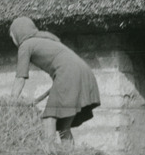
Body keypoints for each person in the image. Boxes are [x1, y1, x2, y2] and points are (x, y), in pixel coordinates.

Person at [10, 16, 101, 144]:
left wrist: (11, 102)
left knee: (49, 118)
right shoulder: (45, 40)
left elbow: (20, 77)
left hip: (68, 73)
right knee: (64, 126)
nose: (13, 40)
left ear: (18, 33)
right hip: (83, 72)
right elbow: (65, 67)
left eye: (12, 36)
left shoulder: (26, 45)